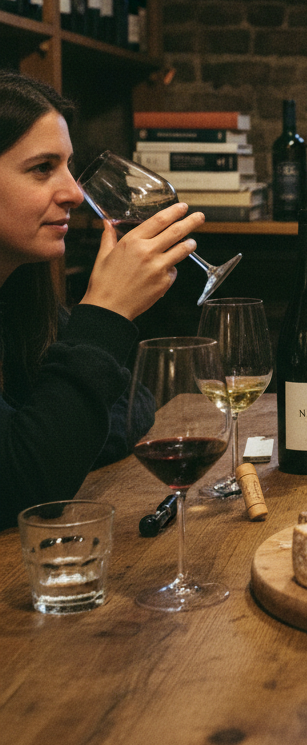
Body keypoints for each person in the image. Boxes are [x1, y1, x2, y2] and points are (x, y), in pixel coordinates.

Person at [0, 72, 206, 529]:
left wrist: (58, 432)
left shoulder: (17, 290)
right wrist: (106, 313)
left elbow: (134, 404)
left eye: (68, 167)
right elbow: (25, 482)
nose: (75, 192)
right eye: (42, 168)